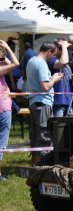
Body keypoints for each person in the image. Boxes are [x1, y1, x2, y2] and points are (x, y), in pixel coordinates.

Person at [26, 41, 63, 166]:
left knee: (36, 138)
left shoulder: (31, 60)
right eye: (53, 55)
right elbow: (45, 86)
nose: (52, 58)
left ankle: (35, 168)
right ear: (49, 52)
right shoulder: (41, 63)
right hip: (42, 103)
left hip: (34, 102)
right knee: (44, 138)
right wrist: (55, 78)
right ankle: (42, 169)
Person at [0, 40, 20, 180]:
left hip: (4, 108)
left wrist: (2, 54)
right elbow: (15, 63)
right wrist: (7, 47)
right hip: (2, 109)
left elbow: (7, 62)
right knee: (2, 143)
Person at [48, 38, 72, 117]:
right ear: (55, 49)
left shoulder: (67, 64)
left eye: (65, 48)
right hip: (57, 102)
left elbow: (68, 79)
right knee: (57, 128)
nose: (64, 50)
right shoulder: (52, 60)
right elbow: (63, 62)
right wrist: (64, 46)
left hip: (68, 101)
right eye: (61, 48)